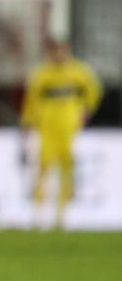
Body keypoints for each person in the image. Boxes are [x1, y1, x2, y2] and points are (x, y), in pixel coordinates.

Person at [21, 40, 101, 229]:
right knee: (43, 168)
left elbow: (93, 92)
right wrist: (27, 122)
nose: (58, 55)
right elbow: (31, 100)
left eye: (62, 51)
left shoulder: (78, 72)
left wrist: (87, 110)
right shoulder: (42, 74)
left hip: (68, 128)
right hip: (47, 128)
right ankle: (38, 213)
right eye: (55, 52)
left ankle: (62, 215)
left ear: (67, 51)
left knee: (67, 168)